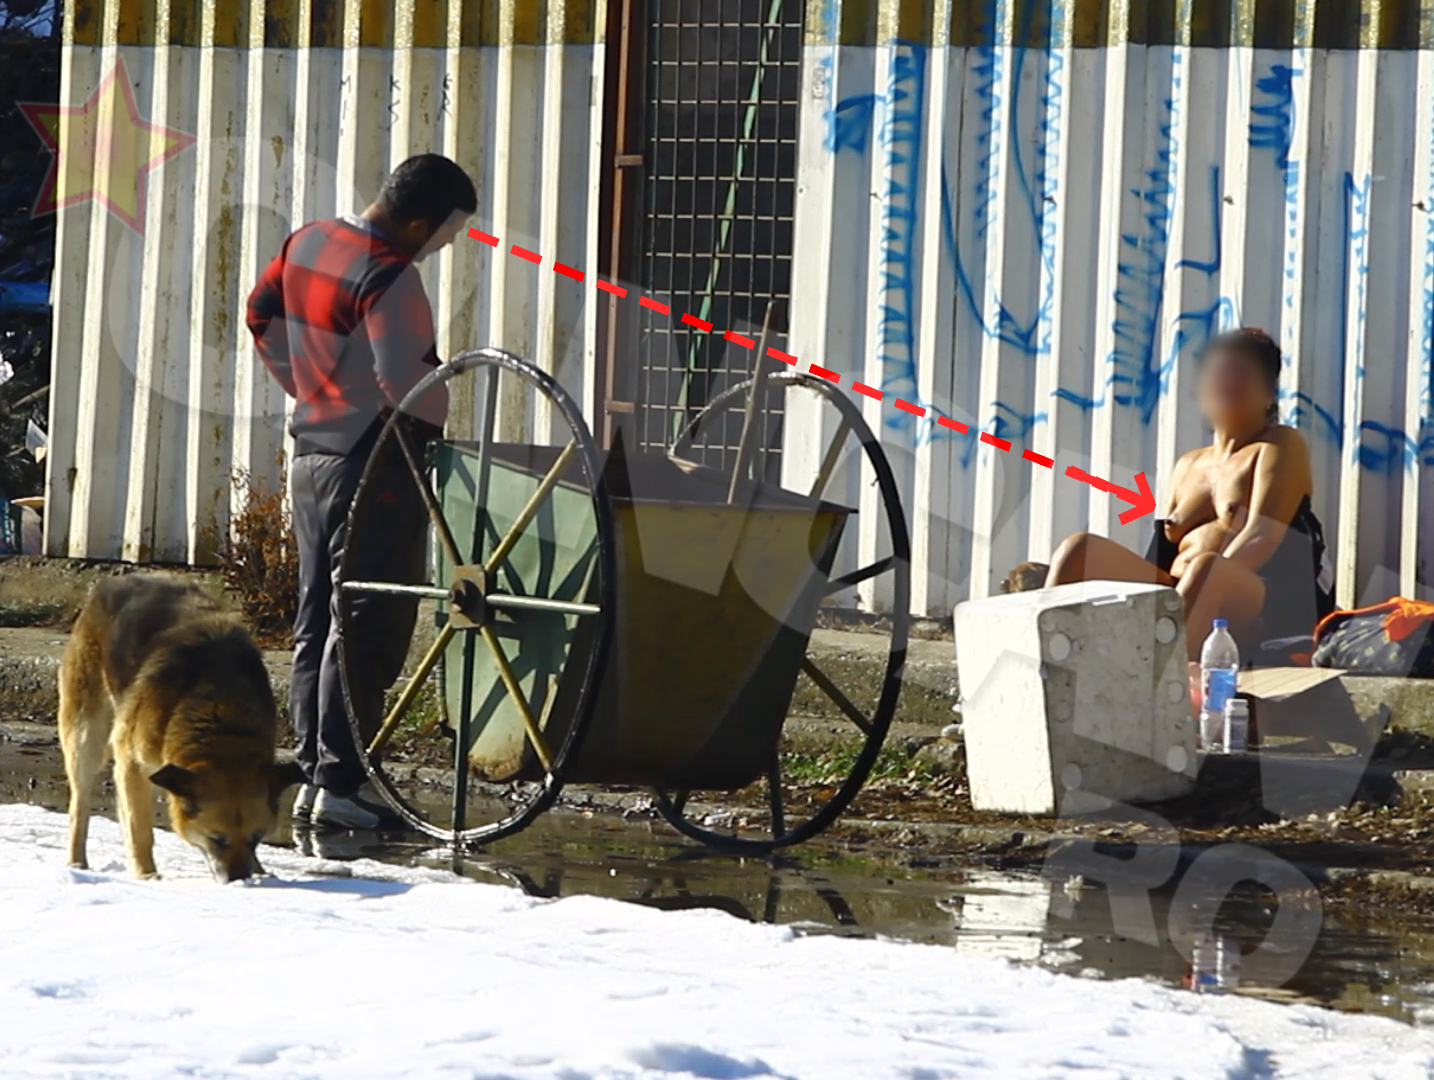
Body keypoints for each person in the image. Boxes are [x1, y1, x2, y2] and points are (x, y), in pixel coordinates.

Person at [245, 154, 476, 829]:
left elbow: (261, 314)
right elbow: (408, 383)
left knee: (317, 618)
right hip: (371, 467)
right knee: (367, 622)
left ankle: (318, 772)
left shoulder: (309, 240)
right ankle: (342, 789)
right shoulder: (391, 274)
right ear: (414, 222)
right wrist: (442, 434)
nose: (444, 247)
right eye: (445, 234)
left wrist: (307, 387)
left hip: (311, 455)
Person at [1044, 328, 1335, 662]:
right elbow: (1162, 555)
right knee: (1078, 550)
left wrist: (1179, 599)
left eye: (1240, 373)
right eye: (1219, 373)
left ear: (1268, 394)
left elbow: (1263, 536)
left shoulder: (1278, 445)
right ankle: (1046, 673)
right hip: (1184, 596)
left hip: (1265, 604)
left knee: (1207, 569)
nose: (1227, 382)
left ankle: (1152, 687)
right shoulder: (1188, 465)